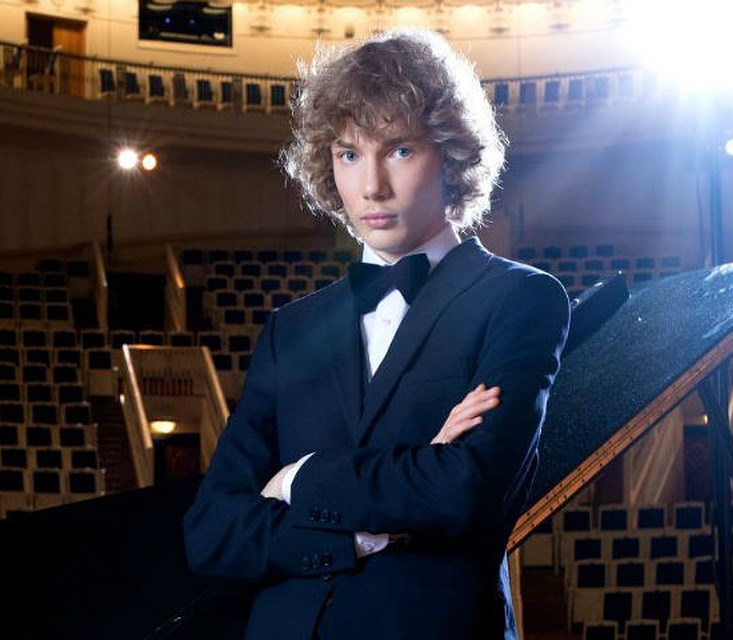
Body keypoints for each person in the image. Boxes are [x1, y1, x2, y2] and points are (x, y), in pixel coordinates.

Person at [183, 28, 570, 640]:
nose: (371, 187)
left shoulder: (520, 299)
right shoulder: (291, 328)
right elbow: (212, 530)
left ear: (451, 156)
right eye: (348, 155)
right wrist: (361, 534)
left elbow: (463, 489)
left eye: (399, 151)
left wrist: (299, 478)